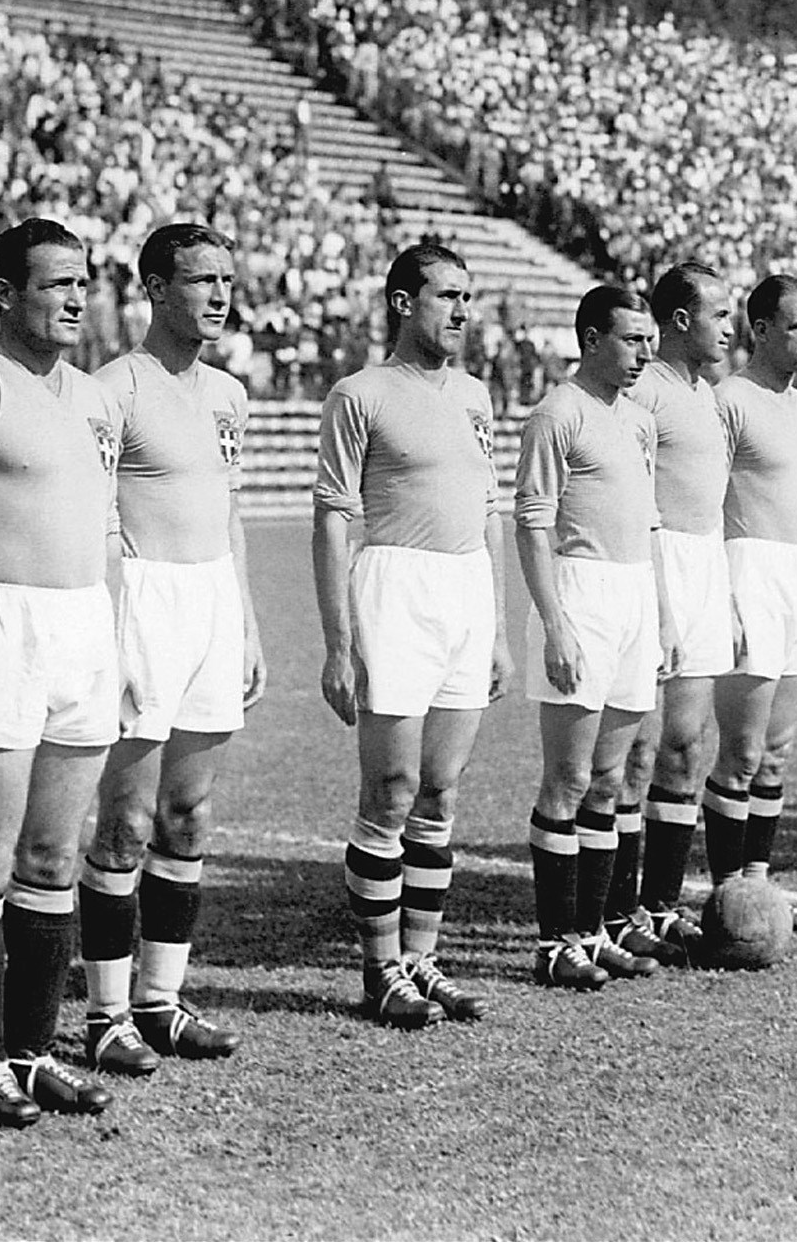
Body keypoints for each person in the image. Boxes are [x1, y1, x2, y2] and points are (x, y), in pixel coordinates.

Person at [0, 219, 123, 1128]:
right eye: (54, 284)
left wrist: (114, 639)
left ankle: (34, 1051)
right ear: (4, 293)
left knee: (53, 855)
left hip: (83, 623)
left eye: (83, 283)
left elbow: (103, 523)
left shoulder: (95, 398)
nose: (75, 299)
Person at [78, 225, 265, 1078]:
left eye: (228, 278)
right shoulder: (112, 388)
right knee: (125, 818)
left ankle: (160, 999)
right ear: (155, 287)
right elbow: (99, 520)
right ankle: (105, 1013)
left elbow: (229, 513)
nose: (220, 295)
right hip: (142, 600)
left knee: (188, 814)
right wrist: (112, 628)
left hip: (211, 601)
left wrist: (249, 621)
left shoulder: (228, 393)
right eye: (200, 280)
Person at [313, 243, 511, 1030]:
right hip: (394, 585)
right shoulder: (358, 394)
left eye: (468, 296)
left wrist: (494, 627)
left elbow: (488, 510)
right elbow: (332, 517)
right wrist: (337, 640)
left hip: (464, 589)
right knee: (390, 790)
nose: (461, 311)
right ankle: (379, 967)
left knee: (441, 791)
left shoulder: (475, 395)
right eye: (445, 296)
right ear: (402, 302)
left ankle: (422, 956)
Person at [517, 286, 676, 989]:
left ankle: (592, 928)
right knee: (570, 775)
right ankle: (555, 941)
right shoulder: (557, 414)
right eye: (631, 339)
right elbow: (532, 521)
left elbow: (646, 523)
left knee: (613, 776)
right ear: (590, 339)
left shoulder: (638, 420)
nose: (645, 352)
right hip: (579, 593)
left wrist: (662, 611)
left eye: (648, 339)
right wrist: (553, 622)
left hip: (635, 591)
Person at [611, 262, 735, 964]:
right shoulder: (646, 394)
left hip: (705, 565)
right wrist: (656, 596)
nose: (729, 326)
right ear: (680, 320)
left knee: (688, 746)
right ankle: (619, 908)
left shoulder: (706, 392)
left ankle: (660, 903)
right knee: (638, 748)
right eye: (718, 314)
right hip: (658, 568)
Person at [704, 276, 797, 895]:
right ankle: (729, 891)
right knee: (744, 752)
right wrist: (719, 594)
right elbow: (704, 502)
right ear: (760, 330)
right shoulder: (728, 399)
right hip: (748, 570)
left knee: (777, 754)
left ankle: (758, 887)